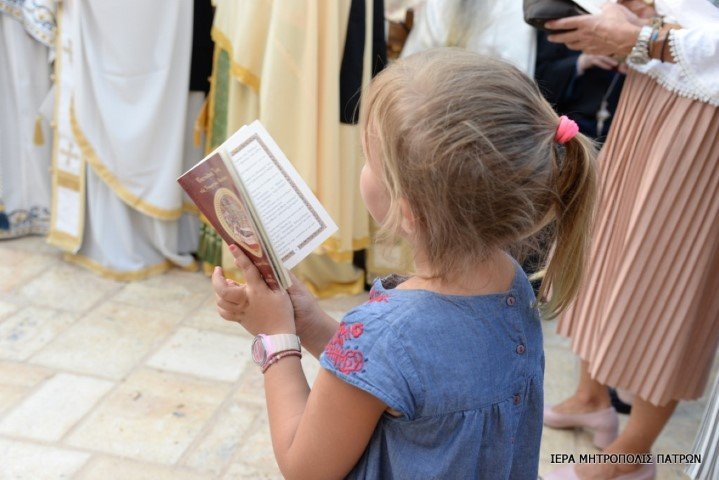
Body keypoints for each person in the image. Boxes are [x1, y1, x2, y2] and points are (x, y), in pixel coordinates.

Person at [211, 48, 598, 479]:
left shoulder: (385, 335)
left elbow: (305, 468)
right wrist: (311, 324)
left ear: (408, 211)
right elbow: (401, 379)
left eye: (368, 159)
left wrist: (276, 338)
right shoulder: (512, 284)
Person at [541, 1, 719, 479]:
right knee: (610, 245)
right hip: (654, 80)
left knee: (671, 281)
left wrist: (650, 38)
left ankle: (631, 456)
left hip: (707, 115)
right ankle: (591, 399)